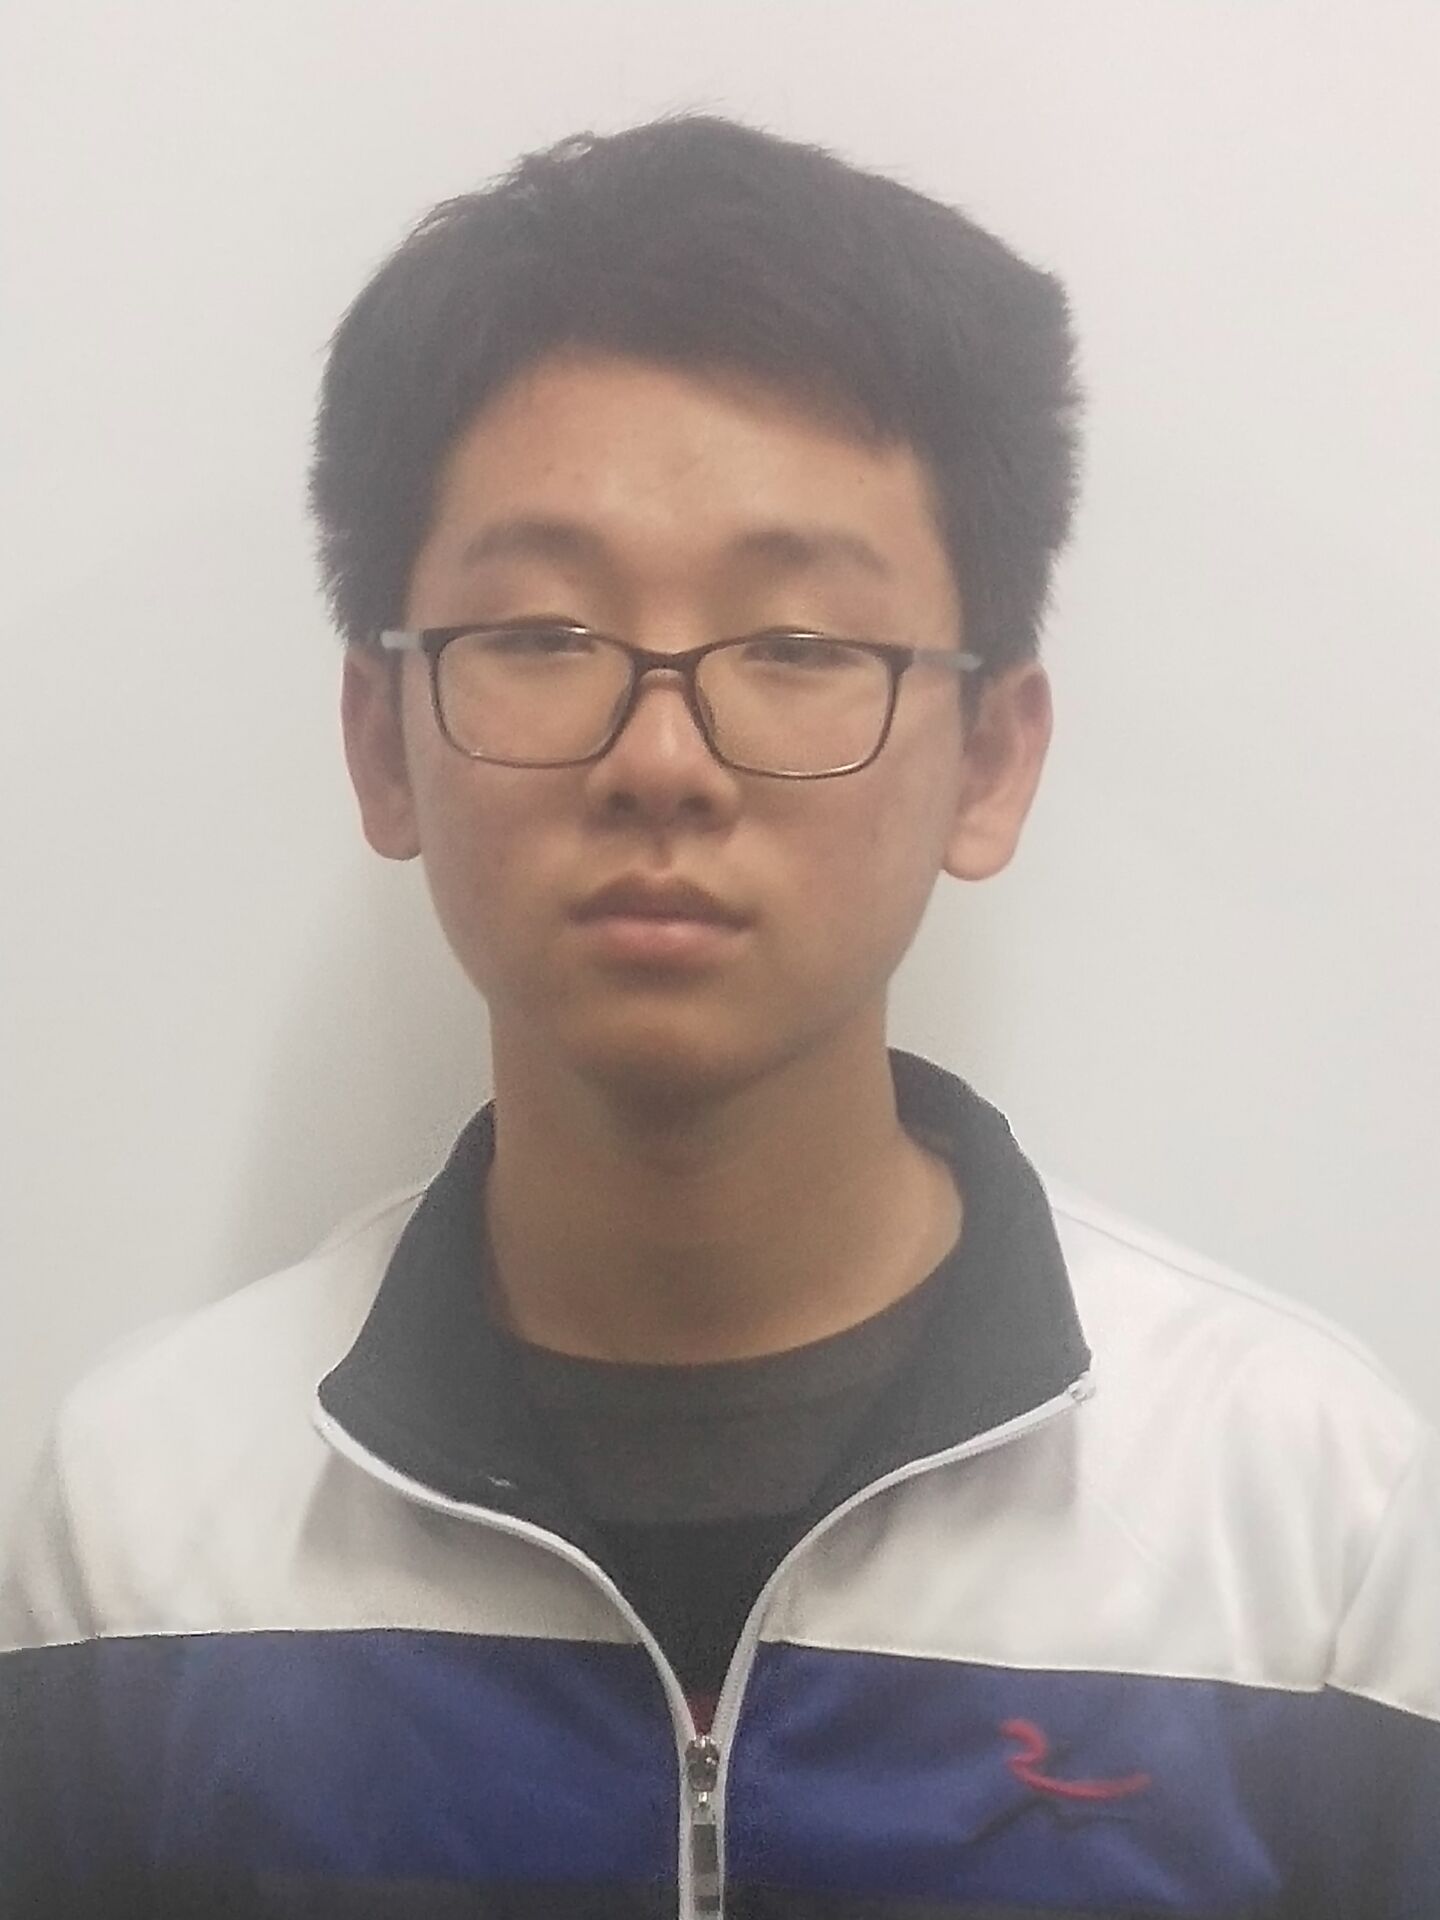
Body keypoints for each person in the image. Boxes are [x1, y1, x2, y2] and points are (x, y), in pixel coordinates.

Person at [2, 112, 1436, 1920]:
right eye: (542, 633)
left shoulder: (1299, 1526)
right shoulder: (145, 1539)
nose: (662, 760)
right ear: (383, 743)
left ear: (990, 758)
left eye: (799, 645)